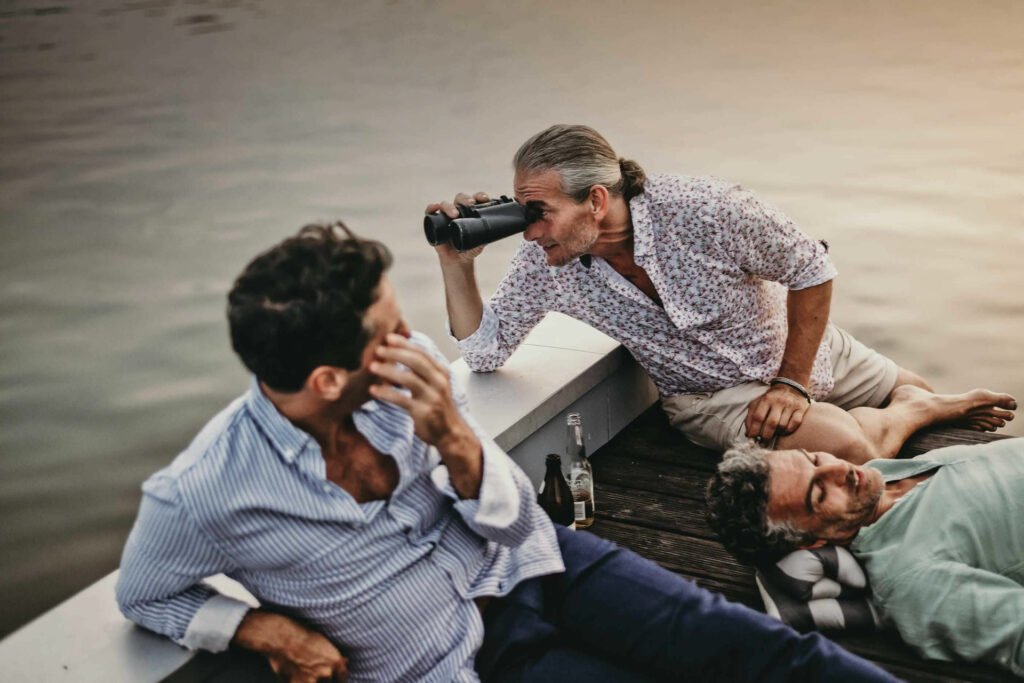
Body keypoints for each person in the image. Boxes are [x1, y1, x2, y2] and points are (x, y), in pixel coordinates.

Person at [116, 223, 898, 682]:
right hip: (464, 659)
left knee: (750, 645)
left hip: (536, 560)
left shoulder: (408, 381)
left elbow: (515, 517)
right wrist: (264, 631)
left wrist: (456, 439)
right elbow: (146, 594)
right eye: (388, 333)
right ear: (326, 378)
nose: (411, 341)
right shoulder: (200, 493)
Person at [429, 124, 1015, 461]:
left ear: (597, 201)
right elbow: (483, 354)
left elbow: (811, 267)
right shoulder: (547, 262)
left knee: (939, 422)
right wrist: (457, 264)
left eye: (541, 213)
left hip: (803, 354)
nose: (530, 232)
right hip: (710, 396)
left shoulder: (705, 209)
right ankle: (898, 415)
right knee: (850, 449)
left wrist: (791, 380)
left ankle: (912, 408)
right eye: (523, 214)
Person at [704, 437, 1024, 676]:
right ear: (812, 543)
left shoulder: (881, 475)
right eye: (820, 493)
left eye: (814, 458)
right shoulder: (912, 578)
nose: (838, 467)